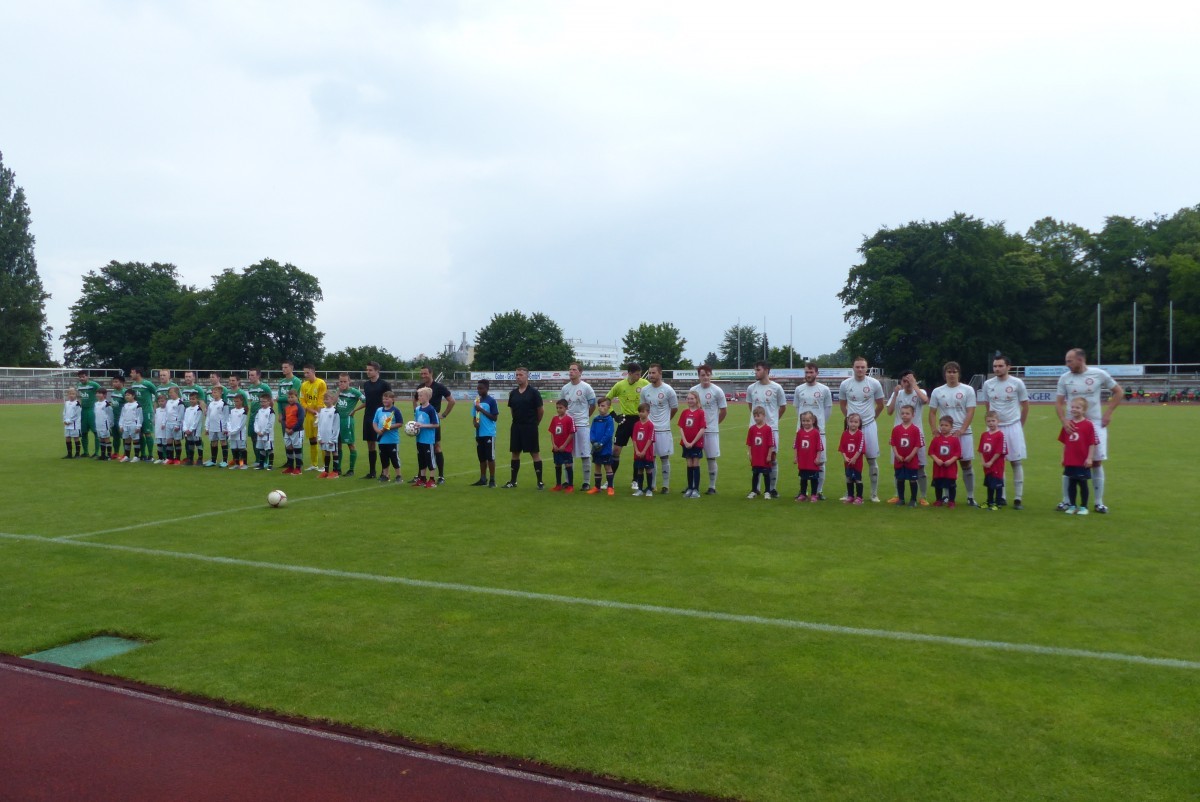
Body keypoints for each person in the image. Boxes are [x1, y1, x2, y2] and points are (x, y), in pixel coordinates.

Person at [1055, 348, 1122, 513]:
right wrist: (1064, 421)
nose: (1067, 364)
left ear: (1080, 359)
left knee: (1096, 461)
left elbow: (1119, 391)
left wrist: (1108, 412)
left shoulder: (1098, 374)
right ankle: (1066, 501)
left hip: (1095, 423)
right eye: (1066, 361)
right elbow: (1058, 402)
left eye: (1070, 361)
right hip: (1073, 425)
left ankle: (1099, 502)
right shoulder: (1065, 378)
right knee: (1070, 462)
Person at [928, 361, 979, 507]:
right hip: (945, 434)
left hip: (963, 433)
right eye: (949, 372)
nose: (951, 374)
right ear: (945, 374)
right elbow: (932, 412)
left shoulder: (967, 390)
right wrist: (933, 429)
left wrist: (962, 429)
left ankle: (970, 497)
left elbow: (971, 411)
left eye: (954, 371)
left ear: (959, 373)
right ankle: (945, 496)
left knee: (966, 464)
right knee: (944, 464)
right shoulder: (938, 391)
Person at [982, 354, 1029, 509]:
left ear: (1008, 367)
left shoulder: (1017, 383)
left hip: (1013, 426)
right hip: (995, 429)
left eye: (1000, 366)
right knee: (996, 463)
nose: (997, 368)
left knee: (1016, 461)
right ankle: (1000, 497)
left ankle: (1018, 498)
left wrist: (1019, 425)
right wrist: (991, 425)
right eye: (995, 366)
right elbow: (988, 407)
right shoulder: (988, 384)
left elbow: (1025, 406)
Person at [838, 357, 885, 502]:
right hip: (851, 428)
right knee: (849, 460)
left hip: (869, 426)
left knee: (871, 460)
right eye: (857, 367)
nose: (860, 370)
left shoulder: (874, 383)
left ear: (867, 368)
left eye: (862, 367)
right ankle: (849, 492)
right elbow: (842, 405)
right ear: (853, 367)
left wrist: (871, 419)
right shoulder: (845, 384)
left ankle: (873, 493)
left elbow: (880, 405)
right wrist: (851, 422)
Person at [886, 369, 929, 505]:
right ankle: (899, 495)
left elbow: (925, 400)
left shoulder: (920, 392)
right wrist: (895, 394)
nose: (907, 383)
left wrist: (914, 385)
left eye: (909, 380)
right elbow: (889, 411)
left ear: (915, 380)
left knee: (920, 466)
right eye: (905, 380)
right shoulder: (897, 394)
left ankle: (923, 496)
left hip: (916, 434)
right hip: (898, 435)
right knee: (898, 466)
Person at [604, 362, 650, 490]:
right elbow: (607, 399)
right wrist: (614, 415)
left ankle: (635, 480)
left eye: (640, 374)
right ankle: (609, 480)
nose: (639, 376)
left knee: (638, 451)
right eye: (637, 374)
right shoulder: (620, 385)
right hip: (625, 421)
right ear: (629, 373)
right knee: (616, 450)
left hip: (639, 420)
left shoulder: (644, 384)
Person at [792, 363, 833, 500]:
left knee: (820, 461)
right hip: (802, 432)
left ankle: (818, 491)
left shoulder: (824, 389)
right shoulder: (799, 389)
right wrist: (803, 427)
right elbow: (797, 409)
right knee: (803, 461)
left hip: (818, 432)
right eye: (806, 372)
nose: (808, 375)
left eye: (810, 372)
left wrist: (819, 425)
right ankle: (803, 491)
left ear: (816, 373)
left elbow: (827, 410)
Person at [746, 361, 786, 498]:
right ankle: (755, 489)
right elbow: (751, 407)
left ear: (766, 370)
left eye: (758, 370)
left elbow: (782, 407)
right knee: (755, 459)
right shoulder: (751, 388)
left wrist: (772, 421)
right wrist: (757, 422)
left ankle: (772, 489)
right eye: (755, 370)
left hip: (771, 430)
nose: (755, 372)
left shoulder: (777, 388)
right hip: (755, 429)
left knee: (772, 459)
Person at [639, 364, 679, 494]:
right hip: (649, 430)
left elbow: (674, 408)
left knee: (664, 457)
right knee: (651, 458)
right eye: (650, 373)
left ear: (660, 374)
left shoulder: (668, 390)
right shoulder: (645, 390)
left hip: (663, 430)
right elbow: (643, 409)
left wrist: (666, 421)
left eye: (653, 373)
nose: (651, 375)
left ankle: (666, 485)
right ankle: (652, 484)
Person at [689, 364, 728, 494]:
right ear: (698, 376)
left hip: (711, 430)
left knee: (711, 458)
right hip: (695, 432)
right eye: (702, 375)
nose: (705, 377)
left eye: (707, 374)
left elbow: (723, 410)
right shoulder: (694, 390)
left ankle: (712, 486)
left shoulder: (717, 391)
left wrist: (715, 423)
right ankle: (693, 485)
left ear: (710, 375)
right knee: (694, 458)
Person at [504, 367, 545, 490]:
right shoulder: (513, 393)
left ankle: (540, 482)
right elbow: (512, 410)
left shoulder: (533, 392)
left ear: (527, 376)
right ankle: (513, 481)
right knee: (515, 453)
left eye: (520, 375)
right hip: (516, 426)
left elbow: (541, 410)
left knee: (535, 453)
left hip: (530, 426)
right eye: (516, 375)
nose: (518, 377)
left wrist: (535, 423)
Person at [413, 366, 454, 484]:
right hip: (421, 421)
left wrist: (444, 414)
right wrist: (416, 413)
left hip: (433, 421)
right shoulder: (420, 387)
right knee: (421, 447)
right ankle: (421, 476)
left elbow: (452, 401)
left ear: (431, 373)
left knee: (436, 446)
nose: (423, 376)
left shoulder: (439, 387)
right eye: (421, 374)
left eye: (425, 373)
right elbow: (414, 400)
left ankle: (440, 476)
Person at [560, 363, 597, 491]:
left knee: (585, 453)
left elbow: (593, 404)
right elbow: (562, 406)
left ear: (580, 372)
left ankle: (586, 482)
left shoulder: (586, 387)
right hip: (568, 425)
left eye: (574, 370)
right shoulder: (565, 388)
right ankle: (568, 481)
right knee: (567, 453)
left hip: (582, 425)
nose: (571, 372)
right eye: (570, 369)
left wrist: (585, 416)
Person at [1058, 397, 1098, 515]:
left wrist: (1090, 457)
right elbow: (1065, 443)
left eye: (1078, 407)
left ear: (1084, 410)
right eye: (1073, 407)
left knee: (1082, 483)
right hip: (1070, 460)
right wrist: (1063, 457)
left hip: (1082, 460)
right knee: (1071, 483)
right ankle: (1072, 505)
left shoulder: (1088, 425)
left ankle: (1083, 506)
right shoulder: (1067, 425)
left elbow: (1092, 443)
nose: (1074, 409)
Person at [359, 361, 392, 479]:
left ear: (377, 371)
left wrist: (388, 420)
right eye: (367, 370)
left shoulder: (384, 384)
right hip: (368, 417)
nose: (368, 372)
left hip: (381, 418)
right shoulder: (366, 384)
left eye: (370, 370)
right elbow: (367, 401)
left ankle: (385, 472)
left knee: (383, 445)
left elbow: (391, 402)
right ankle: (372, 472)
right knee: (370, 444)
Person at [889, 404, 924, 508]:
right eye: (902, 413)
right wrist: (897, 455)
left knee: (913, 479)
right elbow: (893, 443)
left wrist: (911, 456)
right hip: (899, 460)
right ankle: (901, 499)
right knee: (900, 479)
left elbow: (918, 445)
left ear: (913, 415)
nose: (904, 415)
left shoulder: (916, 429)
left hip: (911, 460)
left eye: (907, 413)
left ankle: (913, 500)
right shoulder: (896, 429)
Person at [677, 391, 707, 498]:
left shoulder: (700, 412)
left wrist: (693, 442)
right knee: (689, 465)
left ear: (697, 399)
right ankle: (689, 487)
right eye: (688, 398)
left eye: (692, 398)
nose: (690, 400)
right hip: (686, 443)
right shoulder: (684, 412)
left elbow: (702, 429)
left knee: (695, 464)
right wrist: (685, 441)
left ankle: (696, 489)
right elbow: (680, 427)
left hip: (696, 443)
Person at [928, 415, 962, 507]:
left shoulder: (954, 440)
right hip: (938, 467)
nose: (943, 427)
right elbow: (931, 451)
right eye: (941, 425)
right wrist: (937, 459)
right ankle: (938, 500)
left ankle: (951, 501)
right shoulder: (936, 439)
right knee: (938, 484)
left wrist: (951, 461)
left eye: (946, 425)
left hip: (950, 467)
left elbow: (958, 453)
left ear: (951, 427)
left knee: (951, 484)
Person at [335, 373, 365, 476]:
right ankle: (338, 469)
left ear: (349, 381)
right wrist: (338, 391)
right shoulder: (337, 391)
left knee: (350, 444)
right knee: (337, 444)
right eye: (340, 381)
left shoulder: (354, 392)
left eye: (344, 381)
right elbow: (333, 402)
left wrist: (355, 410)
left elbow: (366, 401)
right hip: (336, 420)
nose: (342, 383)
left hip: (347, 421)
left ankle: (351, 470)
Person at [470, 379, 499, 487]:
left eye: (481, 388)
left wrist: (481, 410)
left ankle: (492, 480)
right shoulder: (476, 401)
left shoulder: (491, 401)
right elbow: (474, 416)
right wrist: (475, 423)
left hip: (489, 433)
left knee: (490, 457)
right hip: (478, 433)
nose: (479, 390)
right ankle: (483, 478)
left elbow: (494, 417)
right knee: (481, 458)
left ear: (487, 388)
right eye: (478, 388)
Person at [299, 365, 327, 472]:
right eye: (304, 373)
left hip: (320, 415)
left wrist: (318, 413)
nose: (306, 375)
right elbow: (302, 400)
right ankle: (314, 464)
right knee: (312, 439)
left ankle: (325, 465)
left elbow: (321, 399)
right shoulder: (304, 385)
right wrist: (310, 410)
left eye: (307, 373)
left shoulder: (321, 383)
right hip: (310, 415)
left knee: (321, 439)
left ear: (313, 372)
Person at [978, 411, 1007, 510]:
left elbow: (999, 451)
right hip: (987, 464)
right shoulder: (984, 435)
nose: (991, 423)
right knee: (989, 483)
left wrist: (991, 461)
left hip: (996, 464)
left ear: (998, 421)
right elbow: (981, 450)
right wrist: (983, 461)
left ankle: (998, 503)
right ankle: (989, 501)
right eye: (988, 421)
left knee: (997, 483)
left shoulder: (1000, 435)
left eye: (993, 421)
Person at [277, 361, 304, 467]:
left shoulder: (296, 381)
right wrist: (280, 413)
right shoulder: (281, 381)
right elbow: (279, 400)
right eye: (282, 367)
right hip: (285, 414)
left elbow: (293, 396)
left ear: (291, 368)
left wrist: (280, 398)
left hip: (294, 413)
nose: (283, 369)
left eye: (286, 367)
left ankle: (299, 462)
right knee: (286, 438)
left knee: (296, 438)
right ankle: (289, 461)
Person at [371, 390, 402, 483]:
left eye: (387, 399)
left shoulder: (395, 411)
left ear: (393, 400)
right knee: (383, 458)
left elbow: (400, 423)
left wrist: (389, 427)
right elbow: (374, 422)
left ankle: (398, 475)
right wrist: (377, 430)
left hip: (392, 440)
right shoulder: (379, 410)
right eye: (384, 399)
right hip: (382, 440)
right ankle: (385, 475)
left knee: (394, 458)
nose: (385, 400)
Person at [244, 369, 273, 468]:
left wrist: (268, 414)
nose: (250, 377)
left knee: (263, 438)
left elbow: (271, 402)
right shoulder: (251, 388)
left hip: (262, 416)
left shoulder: (265, 387)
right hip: (253, 416)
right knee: (253, 438)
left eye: (252, 375)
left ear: (258, 376)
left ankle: (265, 461)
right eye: (249, 375)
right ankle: (258, 459)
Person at [745, 406, 776, 499]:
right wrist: (750, 454)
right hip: (755, 456)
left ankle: (767, 491)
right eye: (754, 416)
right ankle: (754, 490)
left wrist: (769, 455)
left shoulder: (768, 429)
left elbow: (771, 444)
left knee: (766, 474)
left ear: (763, 416)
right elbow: (749, 443)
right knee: (755, 474)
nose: (756, 418)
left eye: (758, 416)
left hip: (764, 456)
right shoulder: (752, 429)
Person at [413, 386, 440, 488]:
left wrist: (423, 425)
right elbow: (416, 422)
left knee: (430, 459)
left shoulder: (431, 409)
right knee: (421, 459)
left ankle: (432, 480)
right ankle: (422, 479)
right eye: (418, 395)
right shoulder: (417, 409)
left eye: (421, 395)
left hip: (428, 439)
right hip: (419, 438)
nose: (419, 397)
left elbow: (436, 424)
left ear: (427, 397)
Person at [793, 410, 823, 501]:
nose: (805, 423)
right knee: (803, 478)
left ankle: (814, 494)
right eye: (803, 421)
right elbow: (796, 446)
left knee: (814, 479)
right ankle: (803, 494)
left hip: (812, 460)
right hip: (803, 460)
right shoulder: (799, 432)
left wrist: (817, 458)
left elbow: (819, 447)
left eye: (807, 421)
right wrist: (795, 457)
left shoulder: (816, 432)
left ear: (813, 421)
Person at [128, 368, 157, 460]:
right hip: (137, 412)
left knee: (147, 433)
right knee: (139, 433)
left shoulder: (147, 384)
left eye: (132, 373)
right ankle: (143, 454)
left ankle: (151, 455)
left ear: (138, 373)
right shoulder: (133, 385)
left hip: (146, 411)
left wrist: (155, 404)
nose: (130, 375)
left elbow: (156, 393)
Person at [589, 397, 616, 495]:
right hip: (596, 447)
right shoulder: (596, 419)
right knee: (597, 466)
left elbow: (609, 434)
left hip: (605, 448)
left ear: (608, 407)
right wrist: (593, 441)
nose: (600, 408)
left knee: (607, 466)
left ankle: (610, 487)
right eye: (599, 406)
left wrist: (601, 443)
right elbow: (592, 431)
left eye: (603, 406)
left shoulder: (609, 419)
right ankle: (597, 487)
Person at [548, 399, 577, 492]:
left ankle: (570, 485)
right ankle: (558, 485)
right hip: (556, 447)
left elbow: (572, 433)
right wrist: (554, 445)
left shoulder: (569, 419)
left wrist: (564, 445)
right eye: (557, 408)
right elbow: (552, 432)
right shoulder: (554, 419)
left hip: (566, 448)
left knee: (568, 465)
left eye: (561, 408)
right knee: (557, 465)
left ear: (566, 408)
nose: (558, 410)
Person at [838, 413, 866, 504]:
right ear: (847, 422)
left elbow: (860, 448)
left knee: (858, 479)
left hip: (857, 462)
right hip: (847, 462)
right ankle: (850, 496)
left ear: (859, 423)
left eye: (856, 422)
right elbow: (842, 447)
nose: (853, 424)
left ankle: (859, 497)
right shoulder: (844, 434)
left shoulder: (860, 434)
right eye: (851, 421)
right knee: (849, 478)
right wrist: (845, 457)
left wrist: (854, 458)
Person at [630, 402, 656, 496]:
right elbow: (634, 439)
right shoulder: (636, 424)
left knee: (648, 470)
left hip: (647, 452)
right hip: (638, 452)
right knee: (639, 469)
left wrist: (644, 451)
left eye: (643, 411)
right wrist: (637, 450)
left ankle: (649, 489)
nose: (641, 413)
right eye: (639, 411)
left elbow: (650, 439)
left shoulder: (650, 425)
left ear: (648, 412)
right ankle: (640, 489)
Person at [75, 370, 101, 457]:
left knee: (95, 431)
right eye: (80, 377)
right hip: (83, 411)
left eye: (83, 376)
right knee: (83, 432)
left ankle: (96, 452)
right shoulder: (79, 386)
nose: (81, 378)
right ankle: (86, 452)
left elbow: (102, 392)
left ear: (87, 376)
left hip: (92, 410)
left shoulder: (94, 384)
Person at [281, 389, 306, 475]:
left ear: (297, 397)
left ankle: (298, 468)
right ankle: (290, 467)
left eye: (292, 397)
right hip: (288, 431)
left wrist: (293, 429)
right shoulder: (287, 407)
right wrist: (286, 428)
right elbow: (283, 419)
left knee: (297, 448)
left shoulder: (299, 407)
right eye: (289, 397)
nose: (290, 399)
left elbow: (301, 420)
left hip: (296, 431)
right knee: (288, 447)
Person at [317, 390, 341, 478]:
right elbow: (319, 425)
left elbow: (336, 427)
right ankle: (326, 471)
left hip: (331, 437)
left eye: (327, 399)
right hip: (323, 437)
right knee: (326, 452)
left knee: (334, 452)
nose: (325, 401)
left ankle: (335, 471)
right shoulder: (322, 411)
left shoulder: (335, 411)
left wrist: (333, 439)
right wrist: (319, 437)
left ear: (332, 399)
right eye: (324, 399)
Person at [204, 380, 227, 467]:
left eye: (216, 392)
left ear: (220, 393)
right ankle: (213, 460)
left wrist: (225, 428)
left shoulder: (223, 403)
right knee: (213, 442)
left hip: (221, 427)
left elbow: (226, 416)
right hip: (212, 427)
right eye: (213, 392)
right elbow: (208, 416)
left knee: (223, 442)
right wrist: (207, 427)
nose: (214, 393)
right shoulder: (210, 404)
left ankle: (225, 461)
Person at [225, 393, 249, 469]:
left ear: (242, 401)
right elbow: (228, 421)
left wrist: (232, 432)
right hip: (232, 433)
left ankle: (243, 464)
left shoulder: (243, 411)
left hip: (240, 434)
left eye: (237, 401)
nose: (236, 403)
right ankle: (237, 464)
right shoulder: (232, 411)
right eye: (235, 401)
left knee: (241, 449)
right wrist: (229, 430)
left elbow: (241, 425)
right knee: (234, 448)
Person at [253, 392, 276, 470]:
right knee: (261, 449)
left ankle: (270, 465)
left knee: (269, 449)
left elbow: (270, 424)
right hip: (259, 434)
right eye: (261, 401)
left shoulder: (271, 411)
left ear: (269, 401)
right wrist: (257, 431)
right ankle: (261, 464)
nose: (262, 403)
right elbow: (256, 422)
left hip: (267, 434)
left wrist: (263, 432)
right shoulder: (259, 411)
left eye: (264, 401)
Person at [118, 389, 142, 462]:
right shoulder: (125, 405)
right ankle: (127, 456)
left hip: (133, 425)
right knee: (127, 440)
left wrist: (138, 426)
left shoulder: (137, 405)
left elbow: (139, 416)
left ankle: (136, 456)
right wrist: (121, 425)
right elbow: (122, 416)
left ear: (133, 396)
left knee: (135, 440)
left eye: (128, 395)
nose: (127, 396)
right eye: (126, 395)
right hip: (125, 425)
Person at [182, 392, 204, 465]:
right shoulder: (187, 409)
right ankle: (190, 459)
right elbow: (184, 420)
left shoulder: (198, 409)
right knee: (190, 444)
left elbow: (196, 421)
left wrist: (191, 429)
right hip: (188, 431)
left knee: (198, 444)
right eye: (190, 399)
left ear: (197, 399)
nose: (191, 400)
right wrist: (185, 429)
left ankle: (200, 458)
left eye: (193, 399)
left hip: (195, 431)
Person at [93, 388, 115, 461]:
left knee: (106, 439)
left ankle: (109, 455)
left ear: (105, 395)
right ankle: (102, 455)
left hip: (105, 425)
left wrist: (110, 424)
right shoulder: (96, 404)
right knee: (101, 439)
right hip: (98, 424)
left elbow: (110, 415)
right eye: (97, 393)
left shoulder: (106, 404)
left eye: (100, 393)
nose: (98, 395)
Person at [164, 386, 185, 464]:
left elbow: (181, 415)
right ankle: (170, 458)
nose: (170, 394)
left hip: (176, 424)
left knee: (177, 441)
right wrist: (164, 422)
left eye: (171, 392)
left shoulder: (180, 402)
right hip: (168, 424)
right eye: (169, 393)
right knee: (169, 440)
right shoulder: (168, 402)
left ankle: (177, 458)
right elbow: (166, 413)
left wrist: (178, 425)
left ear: (176, 392)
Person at [62, 387, 82, 458]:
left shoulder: (77, 403)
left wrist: (69, 421)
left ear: (76, 394)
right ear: (68, 394)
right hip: (67, 424)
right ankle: (69, 454)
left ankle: (77, 454)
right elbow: (64, 412)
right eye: (70, 393)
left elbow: (76, 415)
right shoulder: (67, 403)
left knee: (76, 438)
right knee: (67, 437)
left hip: (74, 424)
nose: (71, 395)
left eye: (73, 394)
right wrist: (64, 420)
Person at [152, 393, 169, 464]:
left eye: (162, 401)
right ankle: (160, 457)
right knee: (159, 444)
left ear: (166, 401)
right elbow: (155, 418)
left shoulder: (167, 409)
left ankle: (166, 457)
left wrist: (163, 424)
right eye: (159, 401)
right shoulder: (157, 410)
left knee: (165, 444)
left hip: (164, 429)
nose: (161, 403)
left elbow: (166, 417)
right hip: (158, 429)